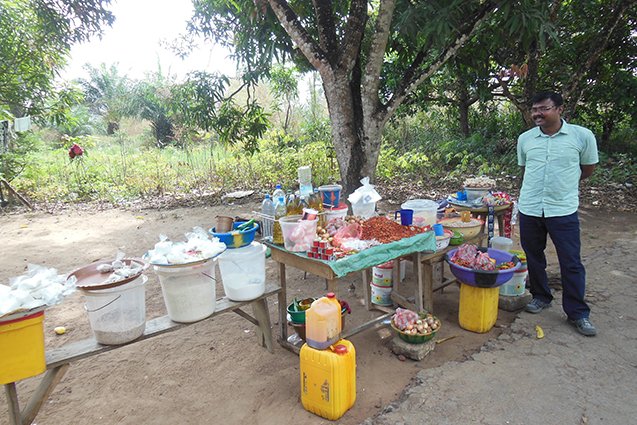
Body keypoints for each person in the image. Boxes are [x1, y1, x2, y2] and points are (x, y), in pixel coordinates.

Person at [516, 91, 599, 336]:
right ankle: (541, 296)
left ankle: (578, 313)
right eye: (534, 110)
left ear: (560, 109)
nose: (537, 114)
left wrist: (563, 186)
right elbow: (525, 169)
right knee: (533, 256)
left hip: (562, 209)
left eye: (543, 108)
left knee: (571, 262)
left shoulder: (582, 136)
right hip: (530, 207)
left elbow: (587, 169)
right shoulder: (525, 139)